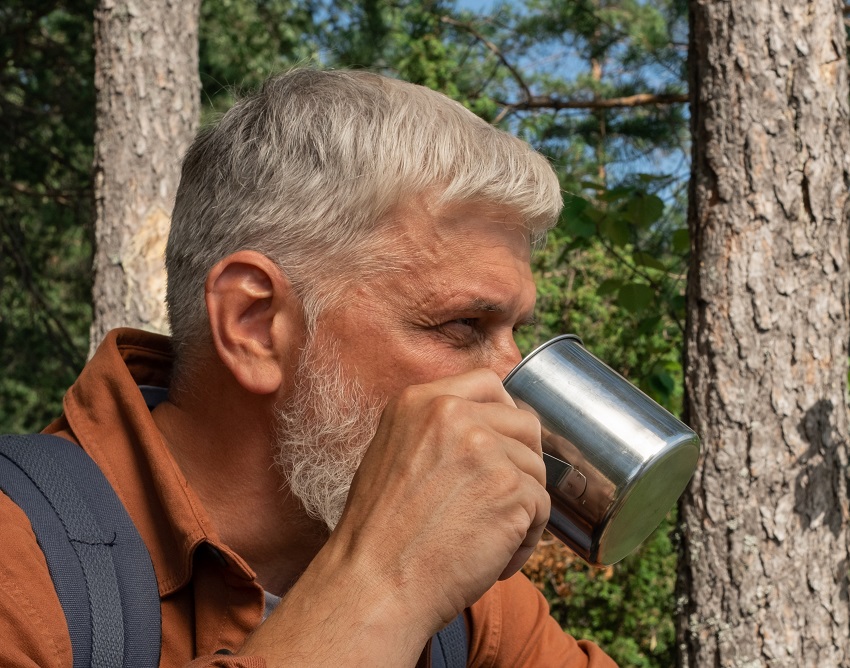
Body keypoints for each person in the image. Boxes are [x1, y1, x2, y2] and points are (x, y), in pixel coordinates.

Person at [0, 68, 617, 667]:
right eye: (462, 326)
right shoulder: (22, 561)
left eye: (516, 333)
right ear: (254, 324)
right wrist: (382, 589)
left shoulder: (466, 595)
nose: (513, 395)